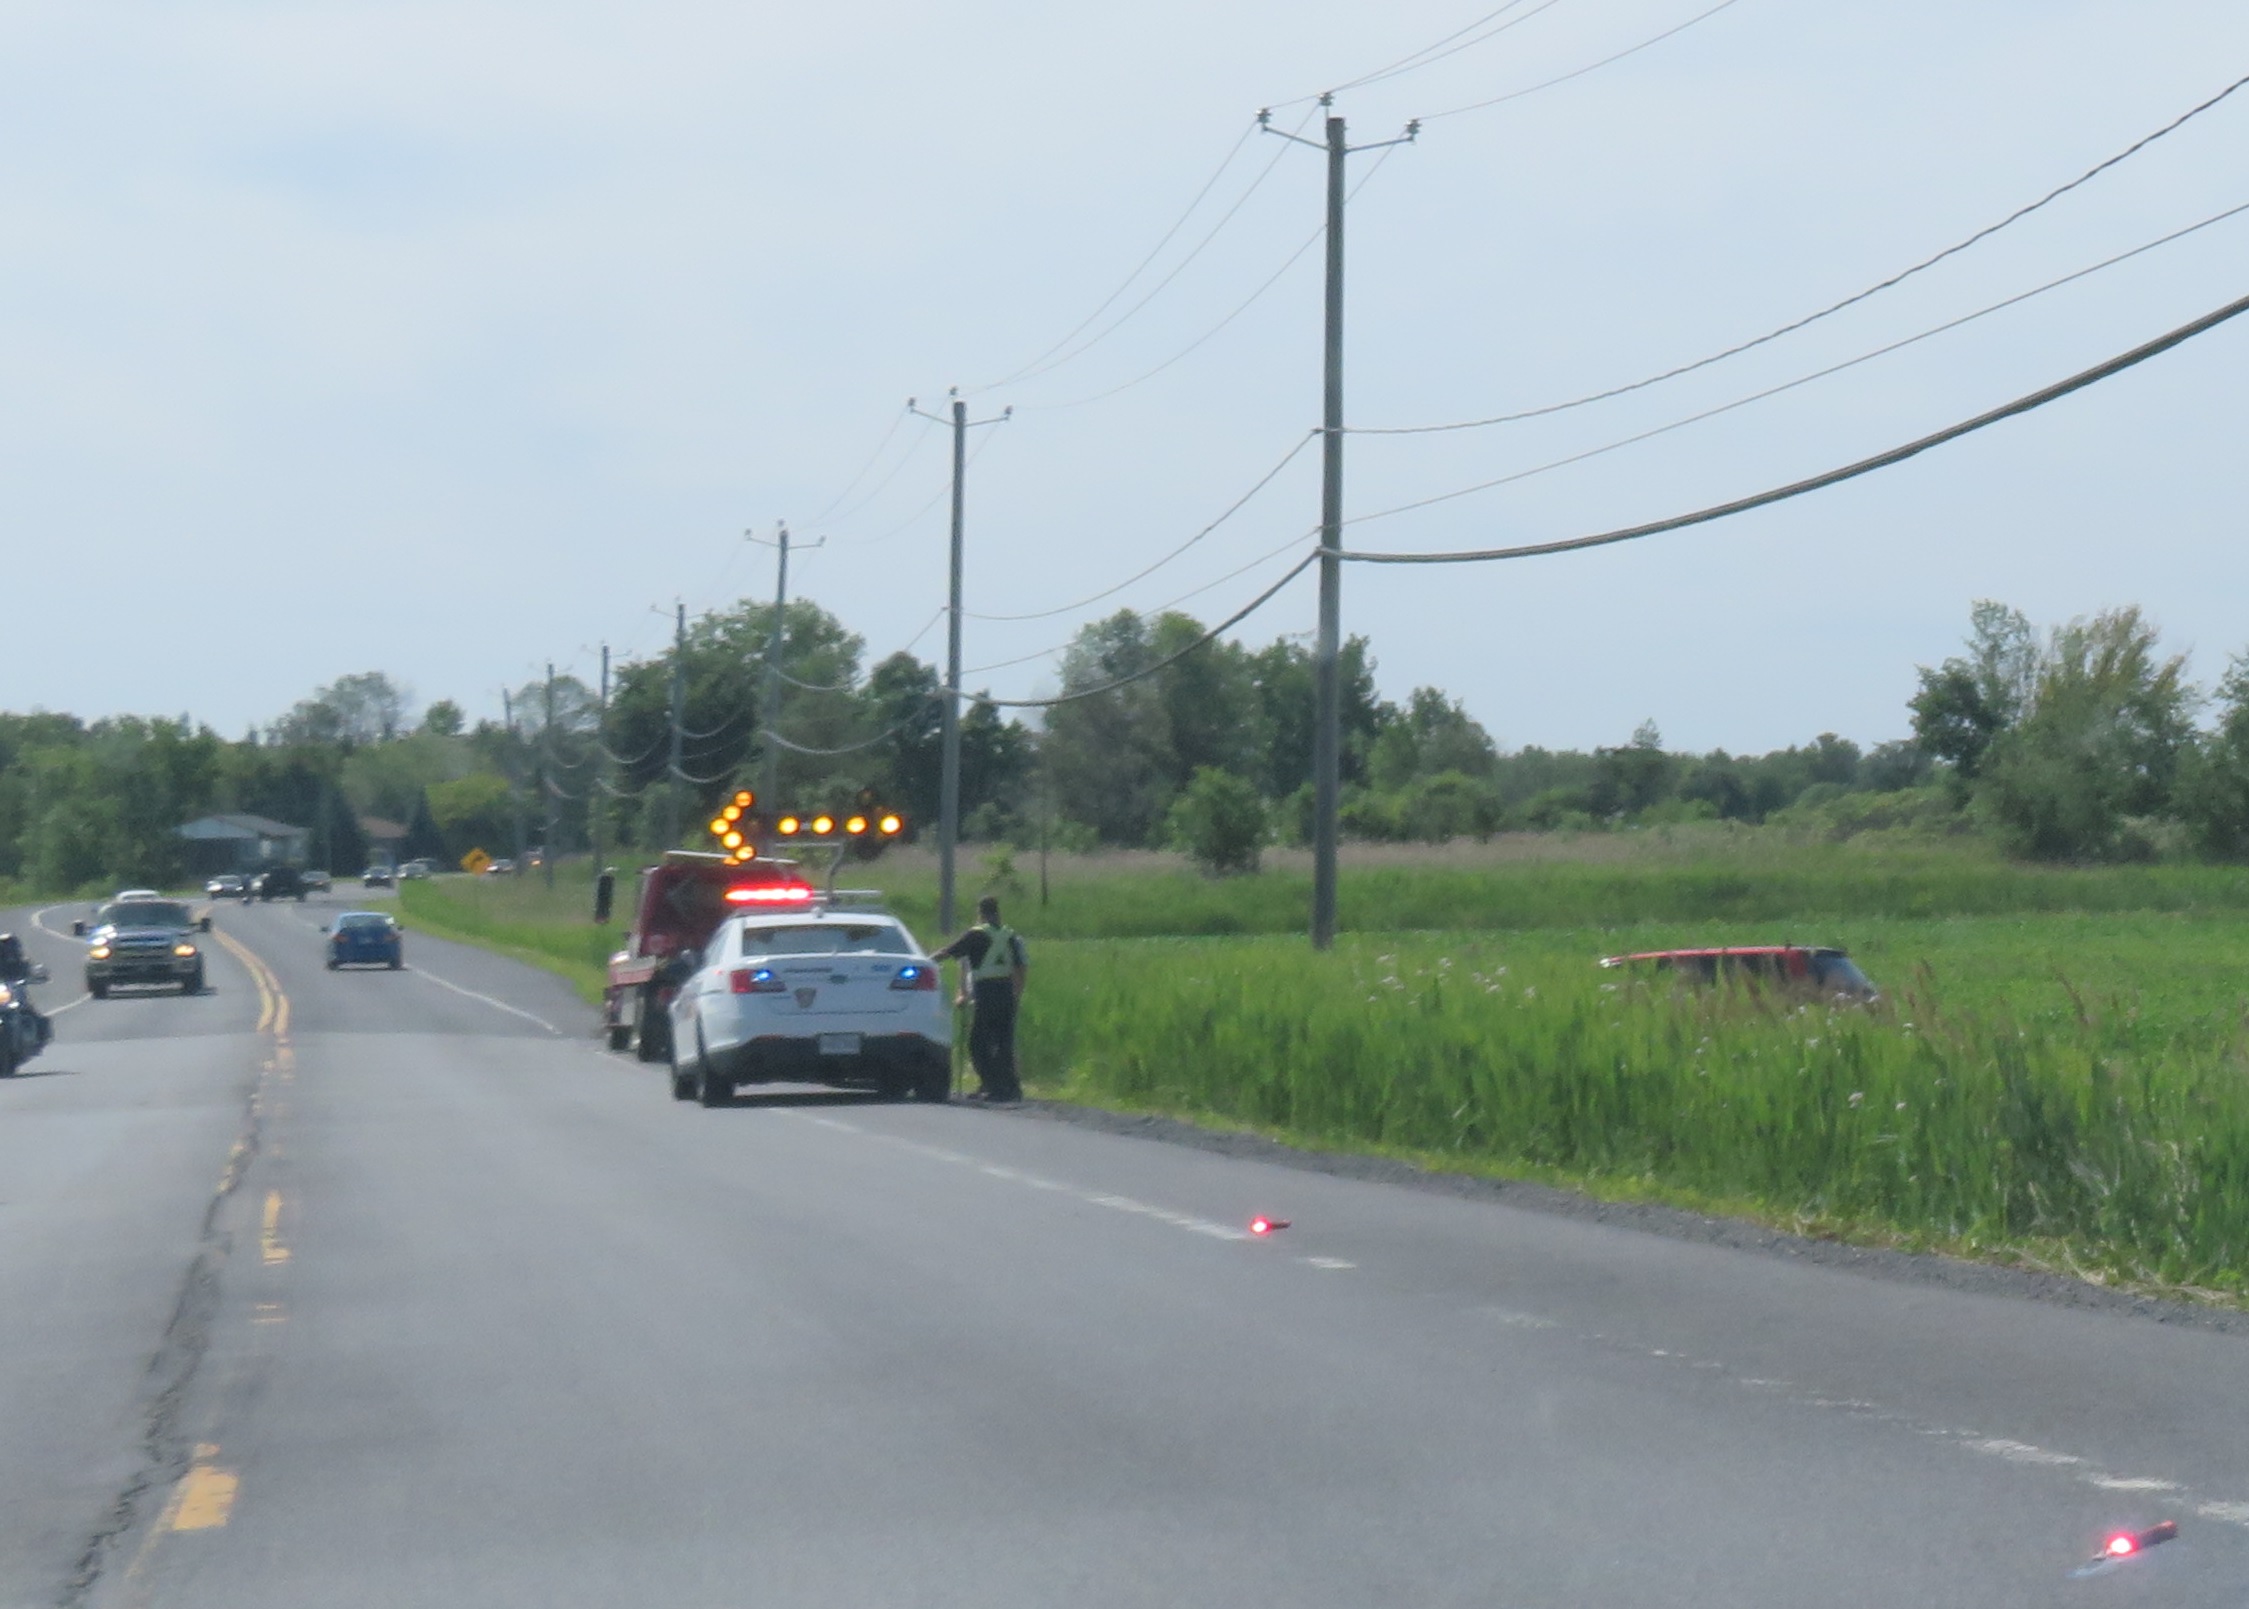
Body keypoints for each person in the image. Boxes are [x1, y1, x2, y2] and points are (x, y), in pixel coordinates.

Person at [932, 895, 1027, 1103]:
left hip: (986, 992)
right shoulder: (1010, 936)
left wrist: (927, 961)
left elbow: (949, 952)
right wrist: (1017, 993)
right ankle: (1010, 1087)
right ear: (997, 912)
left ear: (980, 913)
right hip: (1007, 993)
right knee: (1004, 1042)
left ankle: (993, 1085)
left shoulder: (976, 934)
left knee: (978, 1043)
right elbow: (1020, 967)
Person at [0, 933, 50, 1049]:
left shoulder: (22, 964)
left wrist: (35, 977)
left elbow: (31, 973)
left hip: (15, 998)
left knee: (33, 1015)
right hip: (3, 1001)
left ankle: (37, 1039)